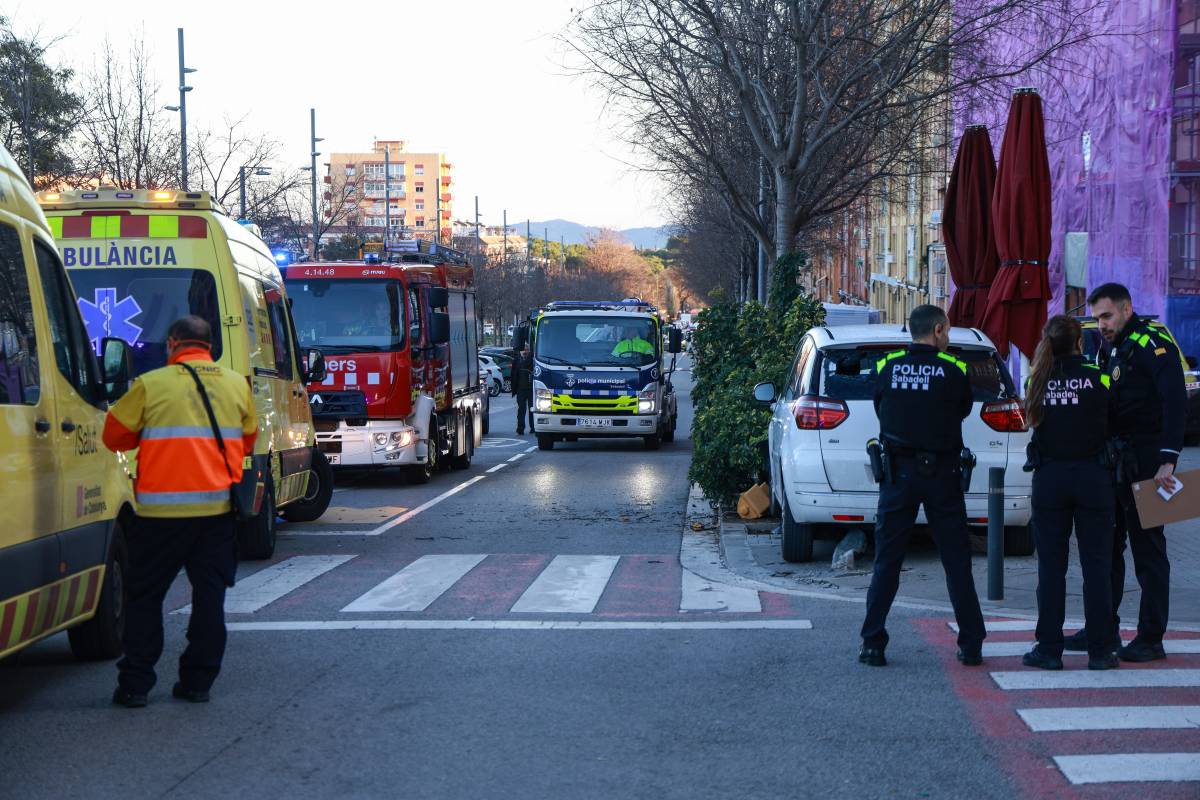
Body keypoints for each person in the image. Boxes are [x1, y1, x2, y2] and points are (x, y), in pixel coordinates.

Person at [102, 315, 257, 708]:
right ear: (207, 345)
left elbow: (113, 436)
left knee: (145, 599)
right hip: (218, 515)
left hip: (158, 519)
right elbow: (249, 440)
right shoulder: (236, 385)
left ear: (173, 343)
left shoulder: (151, 385)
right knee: (210, 600)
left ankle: (136, 685)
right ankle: (197, 682)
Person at [1065, 283, 1187, 662]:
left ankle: (1151, 637)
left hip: (1151, 463)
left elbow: (1176, 400)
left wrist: (1169, 458)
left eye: (1106, 316)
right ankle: (1103, 627)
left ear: (1126, 309)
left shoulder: (1154, 343)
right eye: (1097, 317)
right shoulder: (1112, 346)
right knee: (1106, 547)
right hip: (1116, 462)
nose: (1100, 324)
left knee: (1149, 551)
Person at [860, 304, 986, 667]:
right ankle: (971, 643)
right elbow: (963, 408)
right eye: (946, 331)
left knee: (887, 561)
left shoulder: (887, 367)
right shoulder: (955, 370)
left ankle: (872, 643)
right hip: (942, 475)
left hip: (898, 475)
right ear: (938, 330)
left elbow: (880, 404)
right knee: (956, 561)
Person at [1021, 316, 1119, 671]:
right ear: (1080, 344)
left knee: (1051, 568)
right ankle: (1100, 651)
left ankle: (1048, 648)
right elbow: (1116, 421)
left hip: (1050, 480)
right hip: (1094, 478)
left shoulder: (1037, 379)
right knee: (1097, 567)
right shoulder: (1101, 377)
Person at [511, 346, 534, 435]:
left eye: (527, 349)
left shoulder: (533, 360)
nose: (525, 351)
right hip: (520, 390)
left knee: (532, 409)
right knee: (521, 410)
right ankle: (520, 428)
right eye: (524, 349)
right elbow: (513, 374)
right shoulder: (517, 360)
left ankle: (533, 428)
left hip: (531, 389)